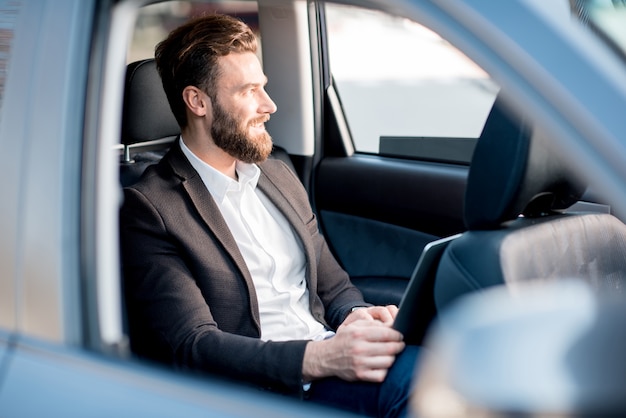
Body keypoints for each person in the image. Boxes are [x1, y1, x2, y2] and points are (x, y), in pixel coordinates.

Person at [120, 13, 418, 417]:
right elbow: (193, 344)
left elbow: (334, 288)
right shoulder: (152, 206)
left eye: (265, 87)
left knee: (446, 366)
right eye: (249, 91)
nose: (269, 105)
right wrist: (320, 358)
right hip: (270, 391)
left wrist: (358, 317)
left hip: (330, 364)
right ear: (197, 101)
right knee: (420, 387)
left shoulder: (277, 173)